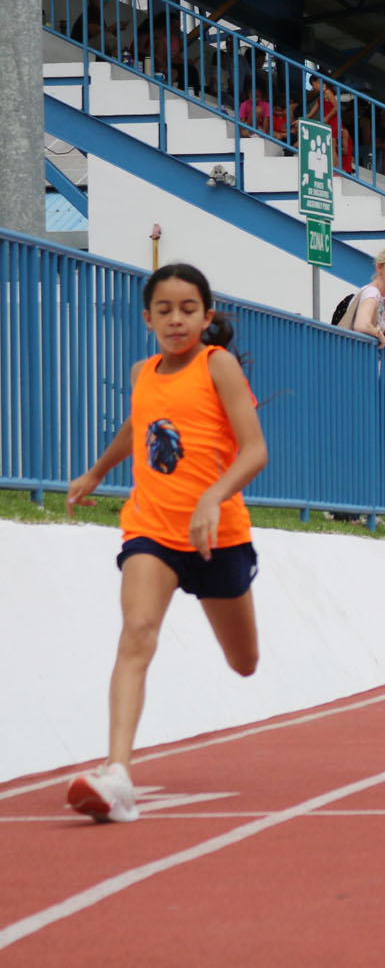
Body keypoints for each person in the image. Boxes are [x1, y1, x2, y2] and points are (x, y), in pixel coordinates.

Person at [63, 264, 268, 823]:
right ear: (147, 317)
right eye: (164, 310)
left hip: (216, 535)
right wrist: (98, 471)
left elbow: (254, 450)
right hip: (152, 528)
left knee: (244, 662)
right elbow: (138, 426)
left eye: (187, 309)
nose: (175, 320)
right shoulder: (142, 372)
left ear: (206, 315)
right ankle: (118, 775)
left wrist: (212, 498)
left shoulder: (217, 366)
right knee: (136, 634)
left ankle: (118, 773)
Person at [338, 246, 385, 345]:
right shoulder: (372, 292)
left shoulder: (377, 295)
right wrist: (380, 335)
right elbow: (361, 325)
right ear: (379, 267)